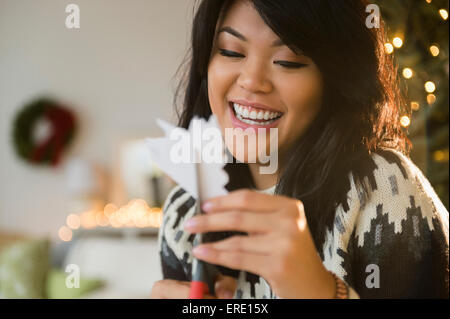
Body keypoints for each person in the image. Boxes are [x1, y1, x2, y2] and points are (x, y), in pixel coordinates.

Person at [150, 0, 449, 299]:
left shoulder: (385, 191)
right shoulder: (184, 210)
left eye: (288, 61)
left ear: (333, 79)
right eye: (231, 52)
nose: (252, 82)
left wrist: (321, 292)